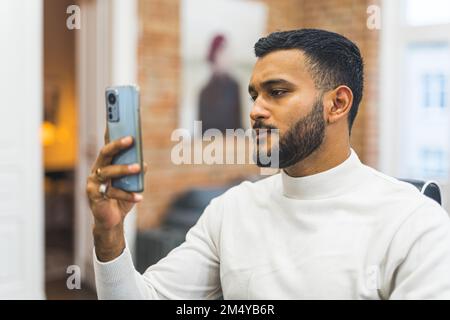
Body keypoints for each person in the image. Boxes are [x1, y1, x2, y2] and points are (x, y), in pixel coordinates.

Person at [86, 29, 450, 299]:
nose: (256, 110)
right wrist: (109, 235)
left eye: (277, 92)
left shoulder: (414, 224)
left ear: (337, 104)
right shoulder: (231, 211)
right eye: (254, 95)